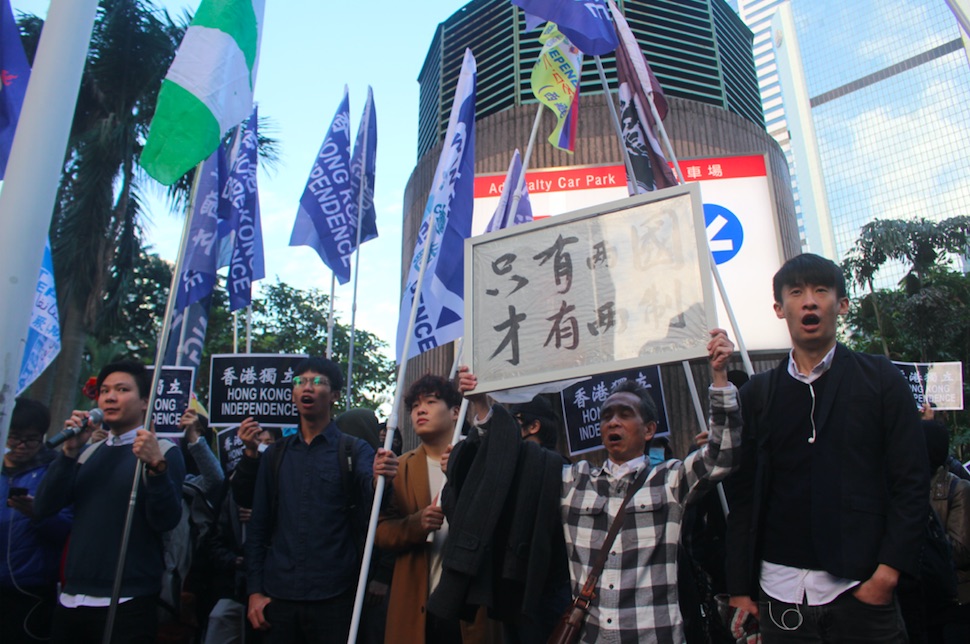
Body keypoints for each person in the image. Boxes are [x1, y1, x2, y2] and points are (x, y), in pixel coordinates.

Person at [452, 328, 740, 643]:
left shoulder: (670, 479)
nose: (612, 422)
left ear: (649, 430)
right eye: (606, 416)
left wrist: (720, 374)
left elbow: (722, 453)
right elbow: (511, 462)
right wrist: (481, 403)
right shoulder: (572, 481)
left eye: (624, 414)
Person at [725, 253, 928, 643]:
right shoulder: (757, 394)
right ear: (779, 308)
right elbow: (743, 495)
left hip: (860, 588)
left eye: (822, 290)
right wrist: (739, 588)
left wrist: (886, 575)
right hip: (779, 594)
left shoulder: (880, 379)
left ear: (842, 304)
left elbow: (912, 481)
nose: (810, 301)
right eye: (796, 292)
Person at [243, 356, 398, 643]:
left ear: (335, 395)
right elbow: (258, 527)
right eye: (300, 382)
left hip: (336, 597)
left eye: (317, 382)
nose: (307, 387)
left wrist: (382, 477)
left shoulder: (354, 450)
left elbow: (374, 495)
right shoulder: (276, 455)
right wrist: (254, 591)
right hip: (278, 597)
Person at [34, 360, 186, 643]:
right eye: (104, 391)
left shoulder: (161, 452)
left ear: (145, 402)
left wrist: (156, 468)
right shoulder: (87, 454)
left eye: (122, 389)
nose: (110, 397)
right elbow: (43, 507)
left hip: (127, 599)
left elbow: (165, 519)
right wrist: (68, 452)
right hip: (71, 597)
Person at [1, 398, 72, 644]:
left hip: (32, 590)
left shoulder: (54, 472)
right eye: (14, 437)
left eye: (31, 439)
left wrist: (39, 514)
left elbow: (68, 529)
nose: (21, 446)